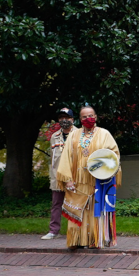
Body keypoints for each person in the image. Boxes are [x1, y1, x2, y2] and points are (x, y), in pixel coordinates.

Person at [56, 106, 122, 249]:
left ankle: (94, 240)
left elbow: (114, 155)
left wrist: (106, 172)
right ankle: (76, 240)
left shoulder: (104, 134)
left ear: (96, 117)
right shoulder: (74, 135)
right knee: (77, 208)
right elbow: (66, 157)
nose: (88, 119)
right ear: (80, 119)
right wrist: (67, 179)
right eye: (84, 117)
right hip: (77, 181)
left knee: (94, 210)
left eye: (90, 116)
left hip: (97, 181)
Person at [43, 108, 75, 240]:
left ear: (73, 119)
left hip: (75, 177)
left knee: (75, 204)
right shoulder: (54, 137)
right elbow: (53, 159)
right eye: (61, 118)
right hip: (58, 175)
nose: (64, 120)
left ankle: (75, 231)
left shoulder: (80, 134)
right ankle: (53, 231)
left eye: (67, 117)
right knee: (56, 204)